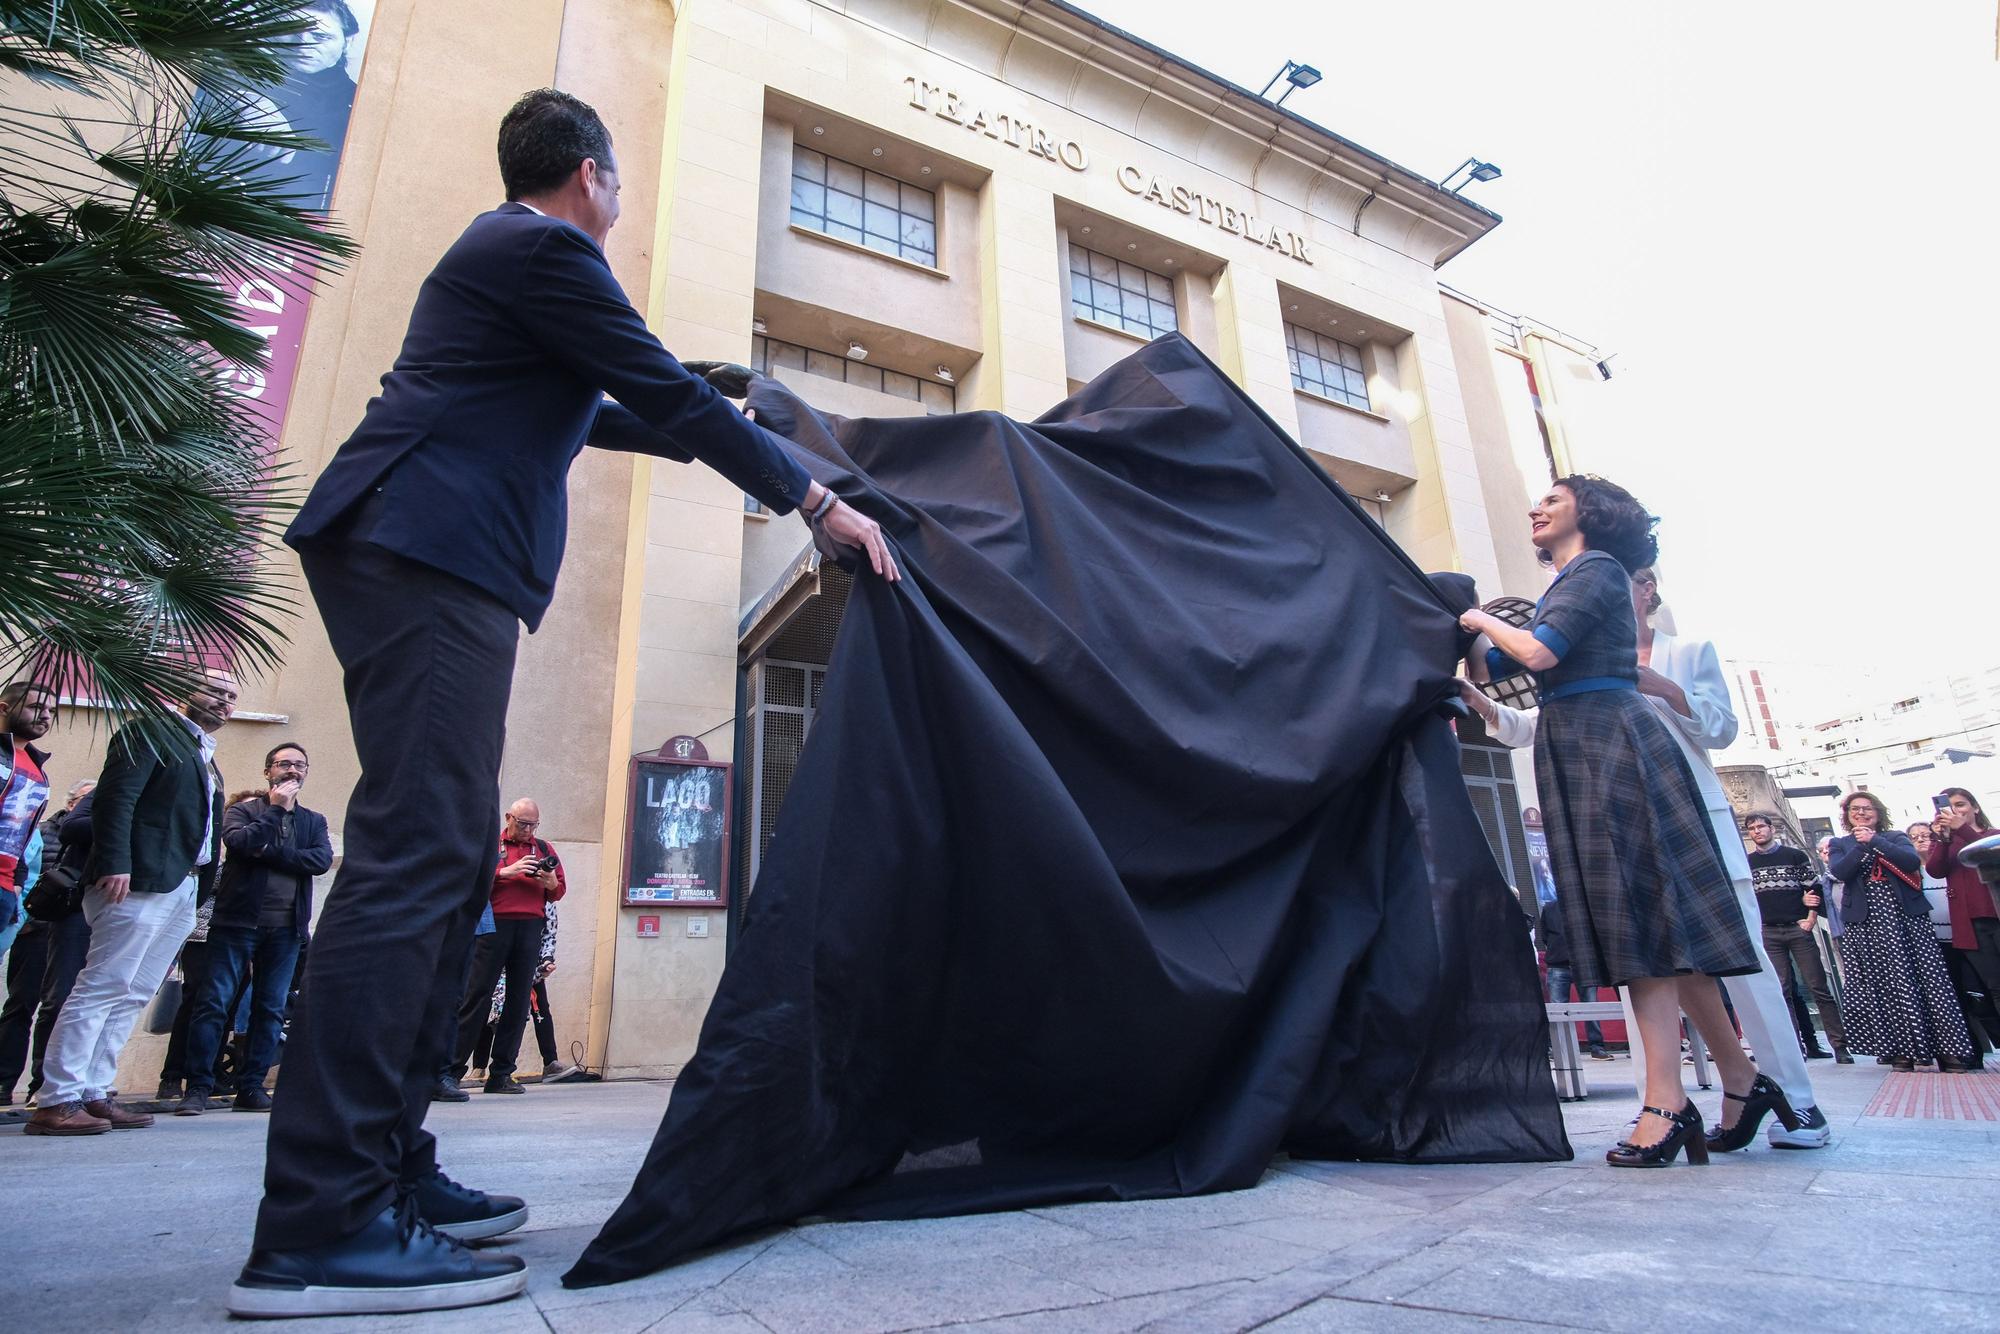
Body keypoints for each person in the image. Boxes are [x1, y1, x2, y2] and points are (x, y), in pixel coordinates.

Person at [234, 88, 900, 1318]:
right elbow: (662, 393)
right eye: (619, 175)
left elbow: (596, 409)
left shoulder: (513, 262)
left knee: (434, 858)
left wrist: (688, 404)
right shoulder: (543, 246)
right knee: (413, 856)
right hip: (426, 548)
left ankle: (384, 1166)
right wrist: (815, 502)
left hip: (423, 547)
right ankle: (322, 1222)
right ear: (591, 173)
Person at [1460, 477, 1778, 1167]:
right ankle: (1744, 1081)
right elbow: (1500, 673)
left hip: (1608, 742)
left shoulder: (1597, 568)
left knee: (1639, 923)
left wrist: (1478, 618)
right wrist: (1469, 643)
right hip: (1581, 739)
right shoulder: (1570, 584)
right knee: (1661, 925)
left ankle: (1667, 1103)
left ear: (1592, 513)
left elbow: (1538, 655)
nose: (1536, 507)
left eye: (1554, 498)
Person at [25, 671, 234, 1136]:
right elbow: (115, 801)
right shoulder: (150, 730)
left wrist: (198, 890)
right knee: (103, 984)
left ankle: (95, 1091)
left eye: (231, 698)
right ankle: (57, 1098)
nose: (224, 702)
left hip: (182, 886)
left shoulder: (203, 753)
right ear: (183, 693)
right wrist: (115, 863)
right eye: (216, 691)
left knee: (136, 991)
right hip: (136, 880)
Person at [176, 745, 333, 1115]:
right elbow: (240, 843)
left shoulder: (314, 821)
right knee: (214, 1004)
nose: (291, 770)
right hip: (236, 923)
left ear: (306, 772)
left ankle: (251, 1086)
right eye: (283, 764)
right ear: (268, 772)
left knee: (271, 1008)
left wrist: (270, 851)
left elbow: (320, 861)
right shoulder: (243, 810)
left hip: (285, 929)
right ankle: (197, 1086)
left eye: (299, 764)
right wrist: (276, 810)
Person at [1827, 791, 1974, 1073]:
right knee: (1883, 987)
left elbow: (1909, 862)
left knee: (1930, 982)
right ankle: (1900, 1052)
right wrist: (1861, 845)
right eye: (1854, 809)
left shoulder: (1893, 837)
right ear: (1847, 815)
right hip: (1866, 926)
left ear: (1878, 813)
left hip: (1906, 921)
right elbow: (1840, 872)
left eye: (1867, 809)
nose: (1861, 813)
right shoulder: (1840, 844)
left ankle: (1948, 1051)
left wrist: (1875, 840)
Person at [448, 799, 563, 1096]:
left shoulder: (545, 849)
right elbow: (470, 884)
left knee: (517, 1002)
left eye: (533, 825)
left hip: (530, 928)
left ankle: (501, 1074)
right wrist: (503, 873)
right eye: (523, 823)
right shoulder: (491, 846)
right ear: (509, 818)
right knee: (477, 997)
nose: (528, 830)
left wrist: (549, 880)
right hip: (494, 926)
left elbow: (558, 892)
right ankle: (451, 1071)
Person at [0, 779, 91, 1105]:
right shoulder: (46, 832)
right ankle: (4, 1082)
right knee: (22, 1004)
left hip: (74, 927)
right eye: (82, 799)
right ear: (70, 804)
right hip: (38, 929)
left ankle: (42, 1084)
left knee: (61, 1004)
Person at [1745, 814, 1851, 1063]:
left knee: (1818, 987)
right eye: (1752, 828)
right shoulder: (1747, 862)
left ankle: (1840, 1046)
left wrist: (1810, 918)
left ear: (1770, 828)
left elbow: (1813, 889)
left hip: (1797, 927)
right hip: (1769, 930)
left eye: (1761, 826)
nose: (1757, 831)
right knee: (1782, 991)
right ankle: (1795, 1048)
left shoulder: (1794, 856)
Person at [1926, 789, 2000, 1065]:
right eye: (1950, 807)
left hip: (1995, 912)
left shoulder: (1992, 834)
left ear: (1975, 807)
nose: (1956, 811)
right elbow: (1935, 869)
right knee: (1992, 987)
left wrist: (1965, 830)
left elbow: (1989, 852)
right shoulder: (1948, 840)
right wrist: (1943, 839)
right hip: (1971, 924)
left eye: (1961, 805)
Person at [0, 681, 58, 954]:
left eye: (50, 710)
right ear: (4, 708)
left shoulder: (39, 770)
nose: (45, 715)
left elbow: (24, 834)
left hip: (6, 886)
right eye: (36, 707)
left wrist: (18, 883)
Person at [1537, 890, 1611, 1059]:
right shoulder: (1549, 908)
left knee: (1590, 1007)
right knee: (1558, 1009)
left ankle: (1596, 1046)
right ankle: (1560, 1048)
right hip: (1558, 963)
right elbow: (1546, 935)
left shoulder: (1583, 906)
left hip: (1584, 964)